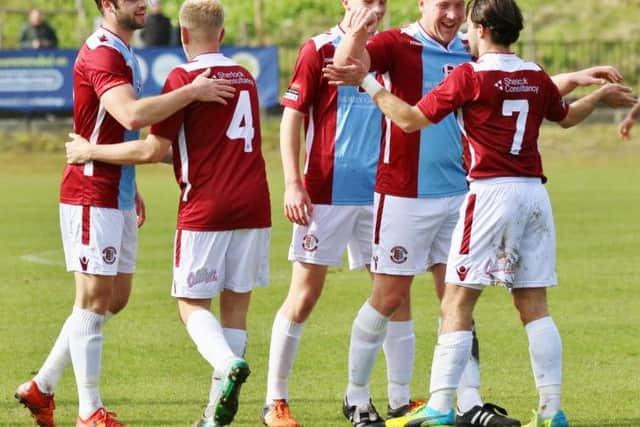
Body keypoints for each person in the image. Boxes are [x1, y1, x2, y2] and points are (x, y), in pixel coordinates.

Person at [328, 1, 628, 426]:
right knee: (534, 305)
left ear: (482, 28)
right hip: (533, 195)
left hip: (487, 195)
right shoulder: (533, 73)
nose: (459, 25)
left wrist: (371, 86)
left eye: (466, 18)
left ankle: (441, 406)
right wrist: (594, 93)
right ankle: (551, 410)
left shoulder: (469, 73)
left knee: (456, 300)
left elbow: (412, 120)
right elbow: (562, 113)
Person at [14, 0, 235, 426]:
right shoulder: (102, 52)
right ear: (107, 4)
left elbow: (121, 127)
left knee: (115, 298)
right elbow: (130, 113)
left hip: (116, 189)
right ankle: (89, 412)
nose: (145, 4)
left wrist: (130, 187)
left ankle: (42, 386)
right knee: (92, 300)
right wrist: (190, 91)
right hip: (90, 189)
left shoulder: (124, 50)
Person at [65, 0, 268, 425]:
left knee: (191, 305)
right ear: (224, 35)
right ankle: (214, 415)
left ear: (183, 36)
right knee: (235, 309)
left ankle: (227, 363)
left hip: (206, 208)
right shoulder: (246, 77)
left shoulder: (183, 77)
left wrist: (90, 149)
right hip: (255, 205)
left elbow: (151, 148)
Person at [261, 1, 423, 426]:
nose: (374, 8)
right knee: (305, 295)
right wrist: (293, 182)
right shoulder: (318, 49)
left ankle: (400, 400)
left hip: (384, 193)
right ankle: (274, 401)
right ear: (345, 4)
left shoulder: (393, 49)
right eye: (365, 0)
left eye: (381, 2)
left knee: (395, 295)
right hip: (326, 193)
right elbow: (292, 118)